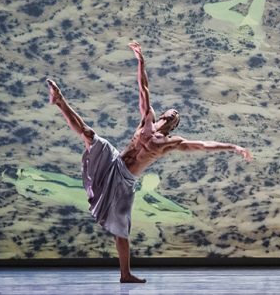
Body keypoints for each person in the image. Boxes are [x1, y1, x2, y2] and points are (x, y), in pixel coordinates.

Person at [46, 41, 253, 283]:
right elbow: (143, 88)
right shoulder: (147, 119)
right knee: (90, 135)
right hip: (114, 160)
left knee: (120, 230)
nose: (173, 112)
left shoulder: (169, 142)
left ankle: (125, 274)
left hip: (125, 180)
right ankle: (60, 101)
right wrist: (140, 60)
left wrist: (232, 147)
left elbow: (201, 145)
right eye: (171, 110)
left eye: (176, 115)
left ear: (174, 124)